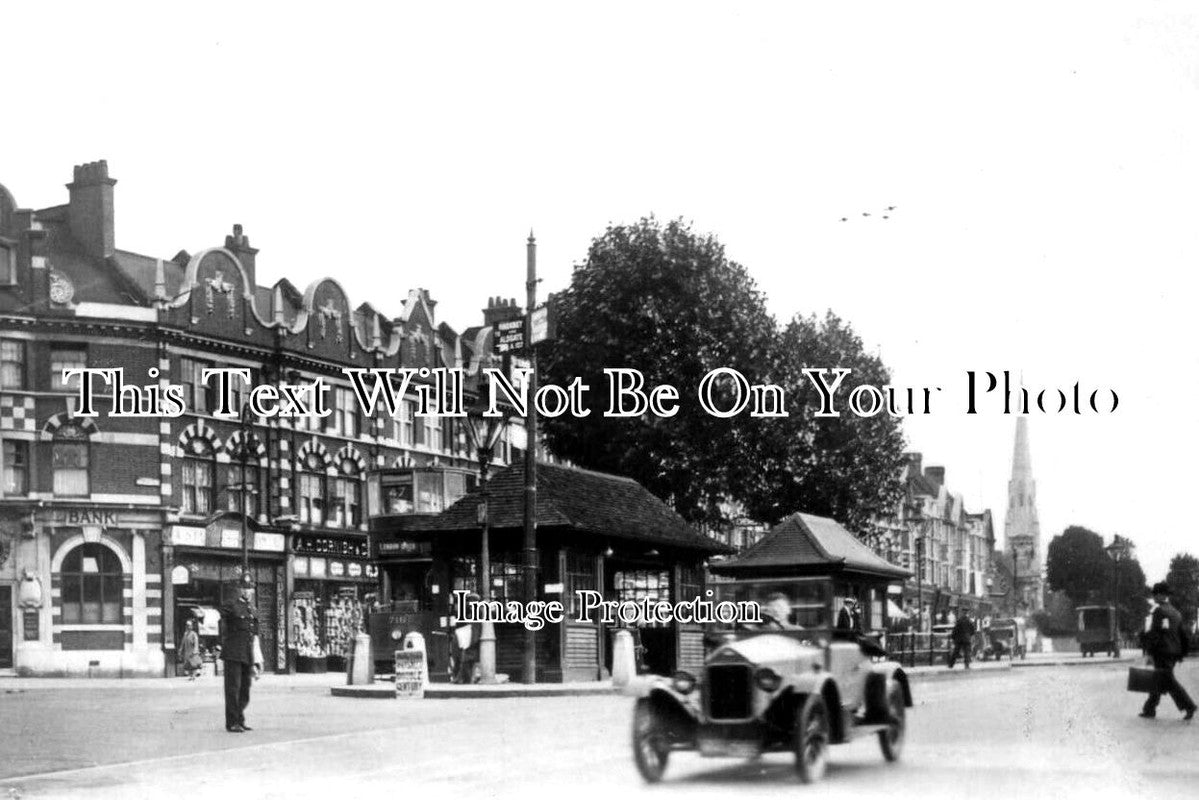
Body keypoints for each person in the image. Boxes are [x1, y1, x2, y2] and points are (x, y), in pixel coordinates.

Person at [1139, 582, 1196, 721]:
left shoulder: (1158, 611)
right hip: (1174, 652)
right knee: (1160, 679)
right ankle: (1149, 709)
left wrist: (1149, 650)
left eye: (1154, 595)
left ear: (1159, 595)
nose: (1153, 598)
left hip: (1162, 652)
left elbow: (1155, 633)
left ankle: (1189, 706)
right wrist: (1182, 653)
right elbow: (1183, 635)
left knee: (1168, 681)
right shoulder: (1176, 612)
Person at [219, 573, 263, 733]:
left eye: (249, 588)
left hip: (247, 654)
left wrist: (258, 660)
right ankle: (232, 722)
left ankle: (240, 718)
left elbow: (255, 636)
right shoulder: (231, 605)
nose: (247, 591)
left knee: (245, 688)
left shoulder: (252, 610)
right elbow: (219, 619)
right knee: (233, 688)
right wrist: (220, 642)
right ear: (239, 589)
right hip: (233, 653)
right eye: (244, 588)